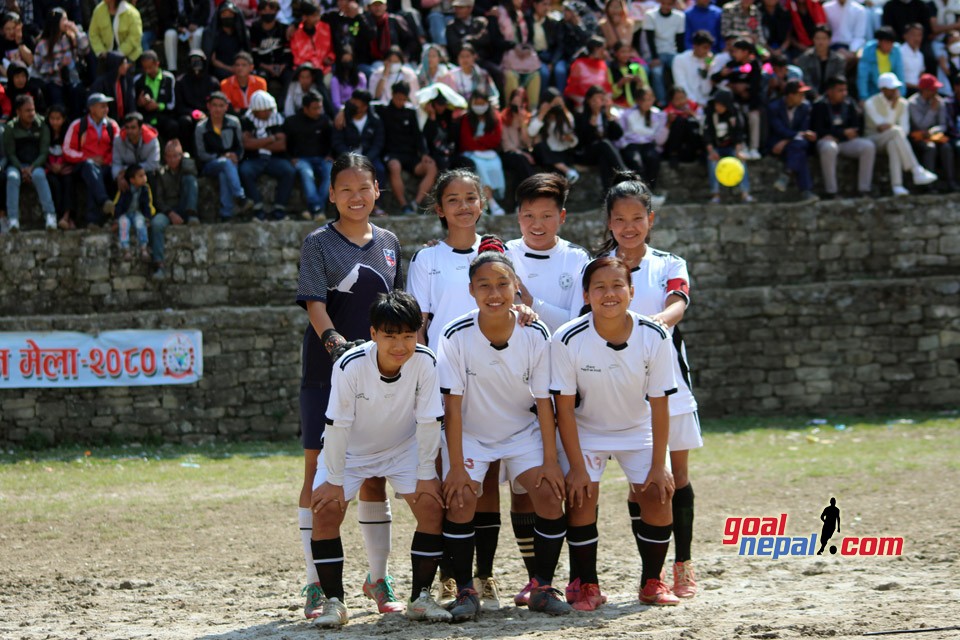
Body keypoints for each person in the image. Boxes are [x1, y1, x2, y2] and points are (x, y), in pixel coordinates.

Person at [438, 238, 572, 621]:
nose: (494, 293)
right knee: (462, 498)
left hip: (521, 435)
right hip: (472, 435)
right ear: (471, 291)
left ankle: (542, 587)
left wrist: (549, 461)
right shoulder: (455, 334)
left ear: (516, 286)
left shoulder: (535, 333)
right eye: (484, 285)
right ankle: (466, 590)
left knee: (548, 493)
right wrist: (458, 466)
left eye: (502, 284)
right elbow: (453, 405)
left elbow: (544, 402)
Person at [296, 153, 405, 620]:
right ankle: (316, 583)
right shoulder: (318, 242)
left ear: (377, 190)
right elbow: (314, 303)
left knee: (374, 473)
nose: (356, 197)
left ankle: (378, 577)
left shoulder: (389, 242)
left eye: (365, 187)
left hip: (379, 375)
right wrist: (334, 341)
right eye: (346, 189)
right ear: (332, 194)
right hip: (328, 369)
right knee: (317, 472)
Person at [308, 290, 452, 627]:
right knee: (326, 509)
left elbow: (430, 420)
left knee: (432, 506)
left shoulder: (426, 361)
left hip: (402, 448)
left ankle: (420, 597)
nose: (400, 345)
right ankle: (334, 602)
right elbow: (338, 426)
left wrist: (427, 471)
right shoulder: (349, 364)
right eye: (390, 336)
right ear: (373, 334)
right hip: (350, 451)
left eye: (408, 335)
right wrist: (332, 478)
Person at [597, 174, 703, 601]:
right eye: (620, 219)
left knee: (677, 478)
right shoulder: (602, 268)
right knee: (641, 483)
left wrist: (655, 323)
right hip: (618, 390)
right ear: (609, 222)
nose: (629, 226)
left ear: (650, 219)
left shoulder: (669, 263)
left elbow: (678, 302)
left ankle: (684, 564)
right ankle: (651, 572)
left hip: (670, 384)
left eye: (637, 218)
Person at [551, 254, 678, 610]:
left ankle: (652, 581)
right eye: (600, 287)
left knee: (658, 492)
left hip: (637, 428)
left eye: (617, 285)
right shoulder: (568, 338)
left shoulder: (654, 334)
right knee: (581, 495)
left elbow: (660, 403)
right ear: (586, 295)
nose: (610, 294)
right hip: (586, 429)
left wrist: (658, 465)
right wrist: (576, 467)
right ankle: (585, 584)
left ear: (632, 291)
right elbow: (563, 408)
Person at [864, 72, 938, 195]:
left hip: (894, 139)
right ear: (883, 89)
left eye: (895, 88)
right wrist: (893, 109)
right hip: (873, 139)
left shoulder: (903, 103)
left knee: (894, 143)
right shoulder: (870, 103)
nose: (894, 91)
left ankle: (897, 186)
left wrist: (893, 119)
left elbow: (905, 129)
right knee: (895, 132)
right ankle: (916, 169)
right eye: (891, 89)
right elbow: (882, 127)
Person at [811, 76, 876, 198]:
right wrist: (841, 133)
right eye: (840, 90)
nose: (844, 93)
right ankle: (831, 192)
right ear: (830, 91)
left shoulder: (849, 103)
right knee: (829, 148)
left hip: (845, 142)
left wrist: (840, 134)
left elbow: (857, 126)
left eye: (845, 90)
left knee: (868, 146)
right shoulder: (819, 105)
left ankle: (864, 189)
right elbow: (818, 130)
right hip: (827, 142)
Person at [64, 92, 122, 227]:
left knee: (94, 178)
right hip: (82, 165)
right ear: (92, 108)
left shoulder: (112, 126)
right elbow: (67, 150)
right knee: (90, 168)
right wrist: (87, 158)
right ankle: (104, 201)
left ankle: (92, 220)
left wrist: (105, 160)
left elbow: (118, 150)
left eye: (106, 106)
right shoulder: (78, 125)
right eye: (102, 106)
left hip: (106, 164)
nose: (106, 109)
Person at [378, 81, 436, 215]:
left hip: (410, 155)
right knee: (394, 167)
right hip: (392, 154)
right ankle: (404, 205)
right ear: (392, 95)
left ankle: (416, 203)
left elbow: (418, 135)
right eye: (399, 98)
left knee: (431, 166)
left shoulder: (410, 113)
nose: (401, 101)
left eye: (404, 99)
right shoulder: (383, 111)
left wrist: (424, 154)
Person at [194, 91, 254, 221]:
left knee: (225, 171)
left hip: (230, 164)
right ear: (209, 106)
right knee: (225, 163)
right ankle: (240, 197)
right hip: (210, 165)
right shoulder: (201, 127)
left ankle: (226, 213)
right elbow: (201, 154)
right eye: (214, 105)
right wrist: (222, 156)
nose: (217, 109)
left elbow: (239, 148)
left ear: (226, 107)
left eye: (221, 106)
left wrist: (235, 156)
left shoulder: (234, 123)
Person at [239, 89, 296, 221]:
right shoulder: (246, 120)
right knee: (245, 171)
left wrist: (256, 142)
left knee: (289, 171)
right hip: (254, 159)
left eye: (268, 109)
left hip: (274, 158)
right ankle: (257, 207)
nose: (267, 113)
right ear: (255, 111)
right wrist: (271, 139)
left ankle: (280, 208)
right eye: (263, 110)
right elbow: (246, 144)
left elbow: (281, 145)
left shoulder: (279, 119)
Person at [3, 95, 56, 232]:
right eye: (27, 110)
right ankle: (13, 219)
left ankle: (50, 216)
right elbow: (10, 153)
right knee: (12, 178)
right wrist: (21, 168)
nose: (31, 113)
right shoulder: (10, 127)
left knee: (39, 176)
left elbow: (44, 152)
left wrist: (31, 168)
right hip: (16, 166)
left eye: (32, 110)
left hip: (36, 165)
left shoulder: (42, 125)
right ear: (18, 112)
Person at [331, 90, 387, 213]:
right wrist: (349, 158)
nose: (352, 105)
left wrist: (365, 160)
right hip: (347, 158)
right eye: (352, 102)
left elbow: (378, 143)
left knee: (380, 170)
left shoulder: (375, 121)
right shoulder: (342, 119)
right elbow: (337, 142)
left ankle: (376, 205)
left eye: (357, 103)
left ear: (365, 107)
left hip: (369, 157)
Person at [152, 139, 198, 278]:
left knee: (190, 180)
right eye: (169, 156)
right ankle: (159, 265)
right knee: (156, 224)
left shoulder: (187, 167)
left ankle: (192, 215)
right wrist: (170, 213)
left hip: (184, 205)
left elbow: (192, 171)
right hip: (168, 209)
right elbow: (158, 200)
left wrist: (184, 160)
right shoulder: (160, 173)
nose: (172, 160)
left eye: (176, 156)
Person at [284, 90, 333, 220]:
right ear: (305, 108)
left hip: (323, 158)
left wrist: (331, 154)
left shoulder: (325, 121)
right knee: (307, 175)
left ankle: (314, 209)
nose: (318, 111)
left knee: (330, 174)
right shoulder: (291, 122)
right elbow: (285, 144)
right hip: (301, 159)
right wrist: (291, 158)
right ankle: (318, 208)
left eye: (320, 108)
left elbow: (333, 140)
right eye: (314, 108)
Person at [32, 7, 89, 117]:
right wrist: (59, 64)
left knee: (77, 93)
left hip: (72, 79)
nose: (66, 22)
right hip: (54, 80)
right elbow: (39, 68)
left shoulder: (70, 37)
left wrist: (77, 31)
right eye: (64, 20)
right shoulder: (43, 44)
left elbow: (85, 49)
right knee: (56, 95)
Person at [458, 91, 507, 217]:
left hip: (490, 153)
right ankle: (490, 202)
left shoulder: (495, 117)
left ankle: (492, 199)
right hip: (472, 153)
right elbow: (467, 142)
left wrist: (479, 140)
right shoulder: (466, 119)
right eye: (477, 103)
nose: (480, 106)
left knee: (496, 165)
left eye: (482, 103)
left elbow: (495, 139)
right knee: (479, 166)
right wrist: (484, 142)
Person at [768, 79, 818, 202]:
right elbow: (779, 129)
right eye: (800, 94)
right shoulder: (774, 107)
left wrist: (787, 140)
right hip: (776, 143)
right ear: (790, 95)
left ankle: (787, 173)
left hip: (793, 143)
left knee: (799, 147)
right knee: (800, 151)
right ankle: (806, 191)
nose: (803, 97)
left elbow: (803, 129)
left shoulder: (805, 107)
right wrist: (791, 138)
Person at [712, 38, 762, 160]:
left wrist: (746, 89)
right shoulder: (731, 65)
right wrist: (725, 78)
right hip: (735, 103)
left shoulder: (755, 64)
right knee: (738, 118)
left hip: (751, 102)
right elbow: (715, 78)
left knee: (754, 117)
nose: (733, 54)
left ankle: (754, 148)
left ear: (745, 52)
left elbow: (756, 85)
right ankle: (742, 146)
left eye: (736, 51)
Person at [704, 87, 753, 203]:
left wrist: (738, 151)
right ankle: (715, 194)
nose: (717, 107)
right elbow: (707, 134)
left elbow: (739, 134)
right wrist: (711, 151)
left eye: (720, 104)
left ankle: (745, 193)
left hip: (732, 147)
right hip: (717, 147)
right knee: (711, 161)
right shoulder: (710, 112)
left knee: (741, 161)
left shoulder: (735, 113)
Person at [575, 85, 628, 192]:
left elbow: (618, 135)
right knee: (604, 143)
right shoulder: (581, 115)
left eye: (600, 99)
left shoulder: (604, 115)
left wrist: (610, 117)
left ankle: (607, 195)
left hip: (602, 152)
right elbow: (581, 141)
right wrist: (591, 126)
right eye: (594, 99)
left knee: (604, 158)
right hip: (586, 153)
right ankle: (625, 176)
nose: (597, 102)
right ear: (588, 100)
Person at [909, 73, 957, 189]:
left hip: (935, 136)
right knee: (930, 148)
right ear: (924, 90)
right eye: (932, 89)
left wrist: (932, 131)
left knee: (946, 147)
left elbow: (943, 125)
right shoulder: (912, 103)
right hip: (919, 138)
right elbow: (920, 125)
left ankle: (950, 181)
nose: (935, 91)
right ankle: (929, 185)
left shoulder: (939, 101)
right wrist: (932, 110)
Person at [618, 87, 668, 194]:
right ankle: (641, 192)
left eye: (650, 99)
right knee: (635, 161)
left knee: (653, 158)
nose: (647, 103)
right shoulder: (626, 114)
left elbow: (659, 139)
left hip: (649, 145)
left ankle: (650, 190)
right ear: (638, 101)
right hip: (631, 145)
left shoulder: (659, 115)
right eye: (644, 100)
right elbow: (621, 134)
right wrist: (625, 145)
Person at [497, 0, 541, 110]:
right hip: (506, 60)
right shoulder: (498, 14)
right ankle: (510, 113)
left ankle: (532, 114)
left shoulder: (525, 14)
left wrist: (526, 48)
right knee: (510, 77)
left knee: (535, 76)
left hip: (526, 60)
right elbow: (495, 41)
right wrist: (513, 46)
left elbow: (530, 38)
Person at [529, 88, 580, 184]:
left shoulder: (566, 116)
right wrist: (542, 113)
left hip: (562, 153)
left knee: (557, 177)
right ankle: (566, 169)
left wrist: (569, 139)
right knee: (539, 145)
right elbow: (531, 132)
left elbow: (574, 140)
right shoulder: (538, 114)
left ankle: (564, 169)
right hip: (545, 154)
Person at [174, 49, 220, 154]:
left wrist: (207, 114)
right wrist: (194, 113)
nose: (196, 64)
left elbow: (217, 102)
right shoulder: (180, 82)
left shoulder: (213, 82)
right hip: (189, 114)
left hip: (209, 114)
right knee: (185, 121)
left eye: (199, 60)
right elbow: (179, 106)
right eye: (193, 60)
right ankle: (187, 152)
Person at [644, 0, 686, 106]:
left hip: (672, 53)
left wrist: (682, 59)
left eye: (669, 4)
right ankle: (662, 102)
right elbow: (650, 40)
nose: (666, 6)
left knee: (682, 70)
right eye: (664, 3)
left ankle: (683, 100)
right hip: (656, 54)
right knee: (656, 72)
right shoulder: (650, 15)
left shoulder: (680, 17)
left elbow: (679, 40)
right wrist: (655, 57)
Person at [249, 0, 292, 102]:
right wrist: (267, 67)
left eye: (271, 9)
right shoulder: (254, 30)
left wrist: (282, 66)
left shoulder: (283, 29)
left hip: (281, 66)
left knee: (290, 76)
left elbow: (288, 52)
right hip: (263, 66)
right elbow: (254, 55)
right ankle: (263, 104)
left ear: (277, 11)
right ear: (259, 12)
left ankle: (281, 106)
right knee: (260, 78)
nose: (267, 12)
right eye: (264, 9)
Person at [113, 163, 154, 261]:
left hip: (137, 213)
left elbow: (147, 205)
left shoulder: (145, 189)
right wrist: (116, 219)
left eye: (144, 175)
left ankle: (143, 248)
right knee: (124, 224)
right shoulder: (124, 189)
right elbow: (118, 205)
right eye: (140, 176)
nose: (144, 178)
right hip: (125, 214)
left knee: (140, 223)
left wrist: (148, 218)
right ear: (132, 180)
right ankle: (126, 249)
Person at [112, 112, 161, 194]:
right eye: (127, 128)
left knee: (151, 175)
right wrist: (118, 177)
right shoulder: (118, 140)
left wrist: (132, 170)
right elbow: (116, 163)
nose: (129, 131)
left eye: (133, 128)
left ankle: (152, 205)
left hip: (144, 173)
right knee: (115, 179)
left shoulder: (152, 140)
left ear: (141, 128)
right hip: (126, 174)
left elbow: (153, 164)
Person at [45, 104, 76, 230]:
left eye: (58, 119)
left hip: (66, 168)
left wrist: (63, 166)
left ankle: (67, 216)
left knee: (69, 181)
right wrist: (50, 166)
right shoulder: (45, 132)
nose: (55, 122)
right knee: (54, 184)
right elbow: (41, 153)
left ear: (63, 119)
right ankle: (58, 217)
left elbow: (72, 152)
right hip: (49, 168)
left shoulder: (70, 133)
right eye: (52, 118)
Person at [440, 43, 500, 108]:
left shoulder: (482, 74)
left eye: (468, 56)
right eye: (462, 56)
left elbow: (493, 95)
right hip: (461, 110)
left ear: (474, 57)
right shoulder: (451, 75)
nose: (465, 60)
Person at [499, 88, 538, 187]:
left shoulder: (528, 118)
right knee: (521, 160)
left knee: (523, 162)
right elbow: (506, 145)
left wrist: (523, 124)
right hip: (510, 153)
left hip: (522, 152)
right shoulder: (503, 117)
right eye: (514, 104)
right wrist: (523, 154)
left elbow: (528, 144)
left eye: (520, 105)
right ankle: (533, 187)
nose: (516, 108)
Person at [204, 2, 251, 80]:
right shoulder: (213, 35)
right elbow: (213, 60)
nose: (227, 17)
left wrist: (237, 68)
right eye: (224, 14)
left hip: (239, 68)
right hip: (220, 70)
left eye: (230, 14)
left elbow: (245, 55)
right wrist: (229, 68)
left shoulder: (240, 34)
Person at [796, 25, 845, 99]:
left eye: (824, 38)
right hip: (810, 97)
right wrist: (816, 95)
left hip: (832, 98)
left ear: (829, 40)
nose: (821, 42)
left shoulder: (838, 60)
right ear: (813, 39)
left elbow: (838, 81)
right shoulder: (804, 58)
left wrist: (827, 96)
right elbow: (805, 80)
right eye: (818, 38)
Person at [564, 37, 613, 108]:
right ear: (596, 49)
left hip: (602, 105)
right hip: (583, 107)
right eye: (604, 49)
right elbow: (571, 91)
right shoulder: (579, 64)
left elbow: (607, 88)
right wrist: (589, 102)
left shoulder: (603, 64)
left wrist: (605, 100)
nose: (605, 52)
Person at [366, 0, 419, 66]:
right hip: (375, 62)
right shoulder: (365, 22)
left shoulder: (394, 20)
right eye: (375, 5)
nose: (378, 8)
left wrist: (405, 55)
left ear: (385, 6)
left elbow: (410, 41)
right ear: (370, 7)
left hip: (397, 60)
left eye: (380, 5)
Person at [857, 27, 904, 100]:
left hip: (892, 93)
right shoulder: (868, 50)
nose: (890, 46)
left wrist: (901, 95)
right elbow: (863, 77)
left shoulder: (896, 50)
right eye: (887, 42)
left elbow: (900, 74)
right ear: (879, 42)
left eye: (892, 43)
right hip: (873, 93)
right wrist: (863, 97)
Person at [89, 51, 136, 122]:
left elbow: (131, 102)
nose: (126, 66)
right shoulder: (100, 83)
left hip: (125, 122)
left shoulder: (127, 80)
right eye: (123, 63)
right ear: (116, 65)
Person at [663, 86, 705, 166]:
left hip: (691, 146)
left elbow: (704, 124)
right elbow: (660, 140)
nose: (681, 101)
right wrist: (668, 122)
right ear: (671, 101)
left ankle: (699, 153)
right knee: (679, 122)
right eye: (677, 99)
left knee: (691, 122)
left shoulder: (695, 107)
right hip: (676, 147)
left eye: (683, 98)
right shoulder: (666, 113)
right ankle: (673, 154)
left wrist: (693, 115)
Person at [672, 29, 715, 108]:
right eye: (704, 47)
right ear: (695, 46)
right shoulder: (680, 59)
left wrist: (706, 70)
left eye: (709, 48)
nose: (707, 51)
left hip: (705, 103)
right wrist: (695, 103)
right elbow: (681, 85)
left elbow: (706, 91)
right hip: (686, 104)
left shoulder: (709, 59)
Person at [290, 0, 333, 74]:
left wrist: (330, 57)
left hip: (326, 69)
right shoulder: (296, 33)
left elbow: (332, 48)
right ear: (305, 17)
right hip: (304, 71)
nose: (317, 18)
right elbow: (297, 57)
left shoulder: (325, 28)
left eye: (318, 15)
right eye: (314, 16)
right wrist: (314, 63)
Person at [608, 42, 650, 109]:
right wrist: (620, 83)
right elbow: (610, 94)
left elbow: (646, 87)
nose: (626, 55)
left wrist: (639, 82)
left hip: (637, 107)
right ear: (615, 53)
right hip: (619, 107)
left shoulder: (637, 66)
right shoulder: (610, 69)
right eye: (623, 52)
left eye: (628, 52)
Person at [330, 48, 367, 112]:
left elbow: (364, 97)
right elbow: (336, 103)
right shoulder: (335, 80)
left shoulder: (361, 77)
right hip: (344, 111)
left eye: (350, 61)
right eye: (345, 61)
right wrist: (345, 110)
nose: (347, 63)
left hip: (360, 110)